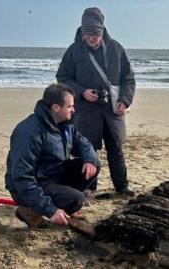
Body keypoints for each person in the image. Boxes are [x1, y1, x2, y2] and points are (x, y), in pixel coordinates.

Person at [56, 7, 136, 196]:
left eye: (95, 34)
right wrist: (82, 92)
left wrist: (125, 100)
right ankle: (89, 187)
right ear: (82, 32)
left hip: (112, 109)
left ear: (102, 31)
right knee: (87, 149)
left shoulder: (116, 48)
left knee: (115, 147)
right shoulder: (74, 51)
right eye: (88, 34)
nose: (92, 38)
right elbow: (62, 77)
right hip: (85, 110)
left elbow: (129, 78)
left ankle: (122, 186)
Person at [5, 83, 100, 228]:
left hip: (54, 175)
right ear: (56, 107)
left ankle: (66, 205)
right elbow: (21, 177)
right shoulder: (29, 132)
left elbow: (83, 143)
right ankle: (30, 212)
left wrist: (90, 160)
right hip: (30, 185)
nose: (73, 110)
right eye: (69, 106)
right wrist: (50, 210)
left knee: (94, 164)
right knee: (76, 199)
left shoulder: (64, 124)